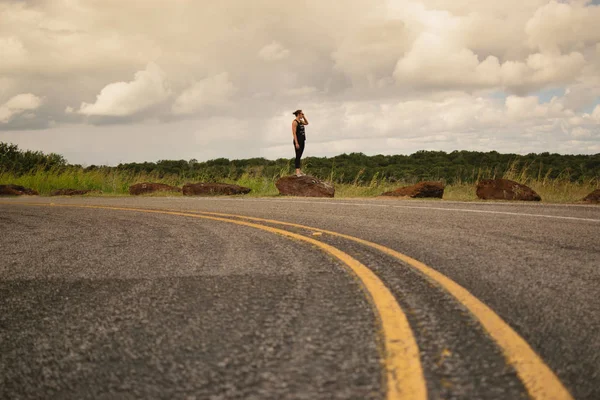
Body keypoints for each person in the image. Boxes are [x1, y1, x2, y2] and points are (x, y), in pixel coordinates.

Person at [292, 109, 309, 176]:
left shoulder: (301, 121)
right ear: (298, 114)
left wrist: (304, 117)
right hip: (298, 141)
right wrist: (296, 143)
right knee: (298, 155)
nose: (303, 114)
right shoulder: (295, 122)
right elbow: (294, 133)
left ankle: (299, 170)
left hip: (302, 140)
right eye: (302, 114)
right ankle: (297, 171)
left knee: (300, 155)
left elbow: (307, 123)